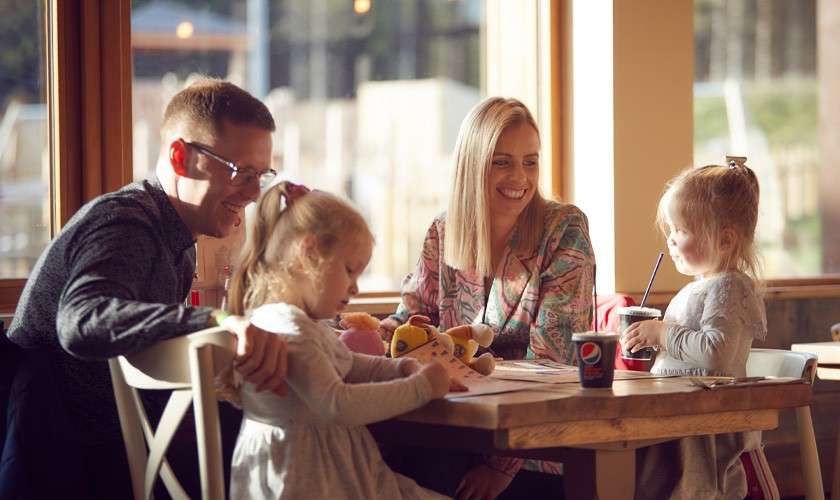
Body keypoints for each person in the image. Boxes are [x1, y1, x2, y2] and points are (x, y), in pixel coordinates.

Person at [2, 79, 288, 499]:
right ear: (180, 157)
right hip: (68, 464)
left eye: (261, 176)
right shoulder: (127, 223)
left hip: (113, 453)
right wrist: (218, 320)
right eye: (241, 173)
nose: (253, 193)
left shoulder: (174, 235)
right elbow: (82, 321)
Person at [380, 97, 595, 499]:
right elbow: (411, 318)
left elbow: (556, 362)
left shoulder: (564, 229)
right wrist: (359, 336)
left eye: (530, 162)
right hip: (451, 429)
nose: (520, 177)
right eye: (502, 162)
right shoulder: (443, 231)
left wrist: (501, 466)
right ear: (472, 165)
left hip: (536, 449)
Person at [224, 181, 454, 500]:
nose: (355, 288)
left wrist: (402, 368)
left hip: (334, 475)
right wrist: (421, 387)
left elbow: (351, 364)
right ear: (308, 254)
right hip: (305, 484)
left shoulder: (303, 323)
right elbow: (337, 404)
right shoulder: (287, 328)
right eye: (349, 271)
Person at [621, 160, 766, 499]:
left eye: (681, 230)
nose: (670, 239)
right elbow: (686, 350)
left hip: (704, 429)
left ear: (724, 240)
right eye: (670, 230)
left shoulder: (729, 287)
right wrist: (652, 341)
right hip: (679, 418)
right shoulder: (701, 287)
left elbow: (716, 354)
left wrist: (663, 335)